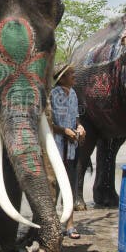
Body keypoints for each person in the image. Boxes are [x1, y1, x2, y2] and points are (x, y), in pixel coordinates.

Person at [50, 64, 85, 240]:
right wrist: (64, 131)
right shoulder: (51, 95)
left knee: (70, 186)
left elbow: (76, 116)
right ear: (61, 78)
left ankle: (70, 225)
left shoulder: (73, 94)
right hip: (55, 147)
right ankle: (51, 225)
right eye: (71, 74)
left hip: (72, 147)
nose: (74, 76)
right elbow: (48, 124)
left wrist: (79, 126)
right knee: (54, 187)